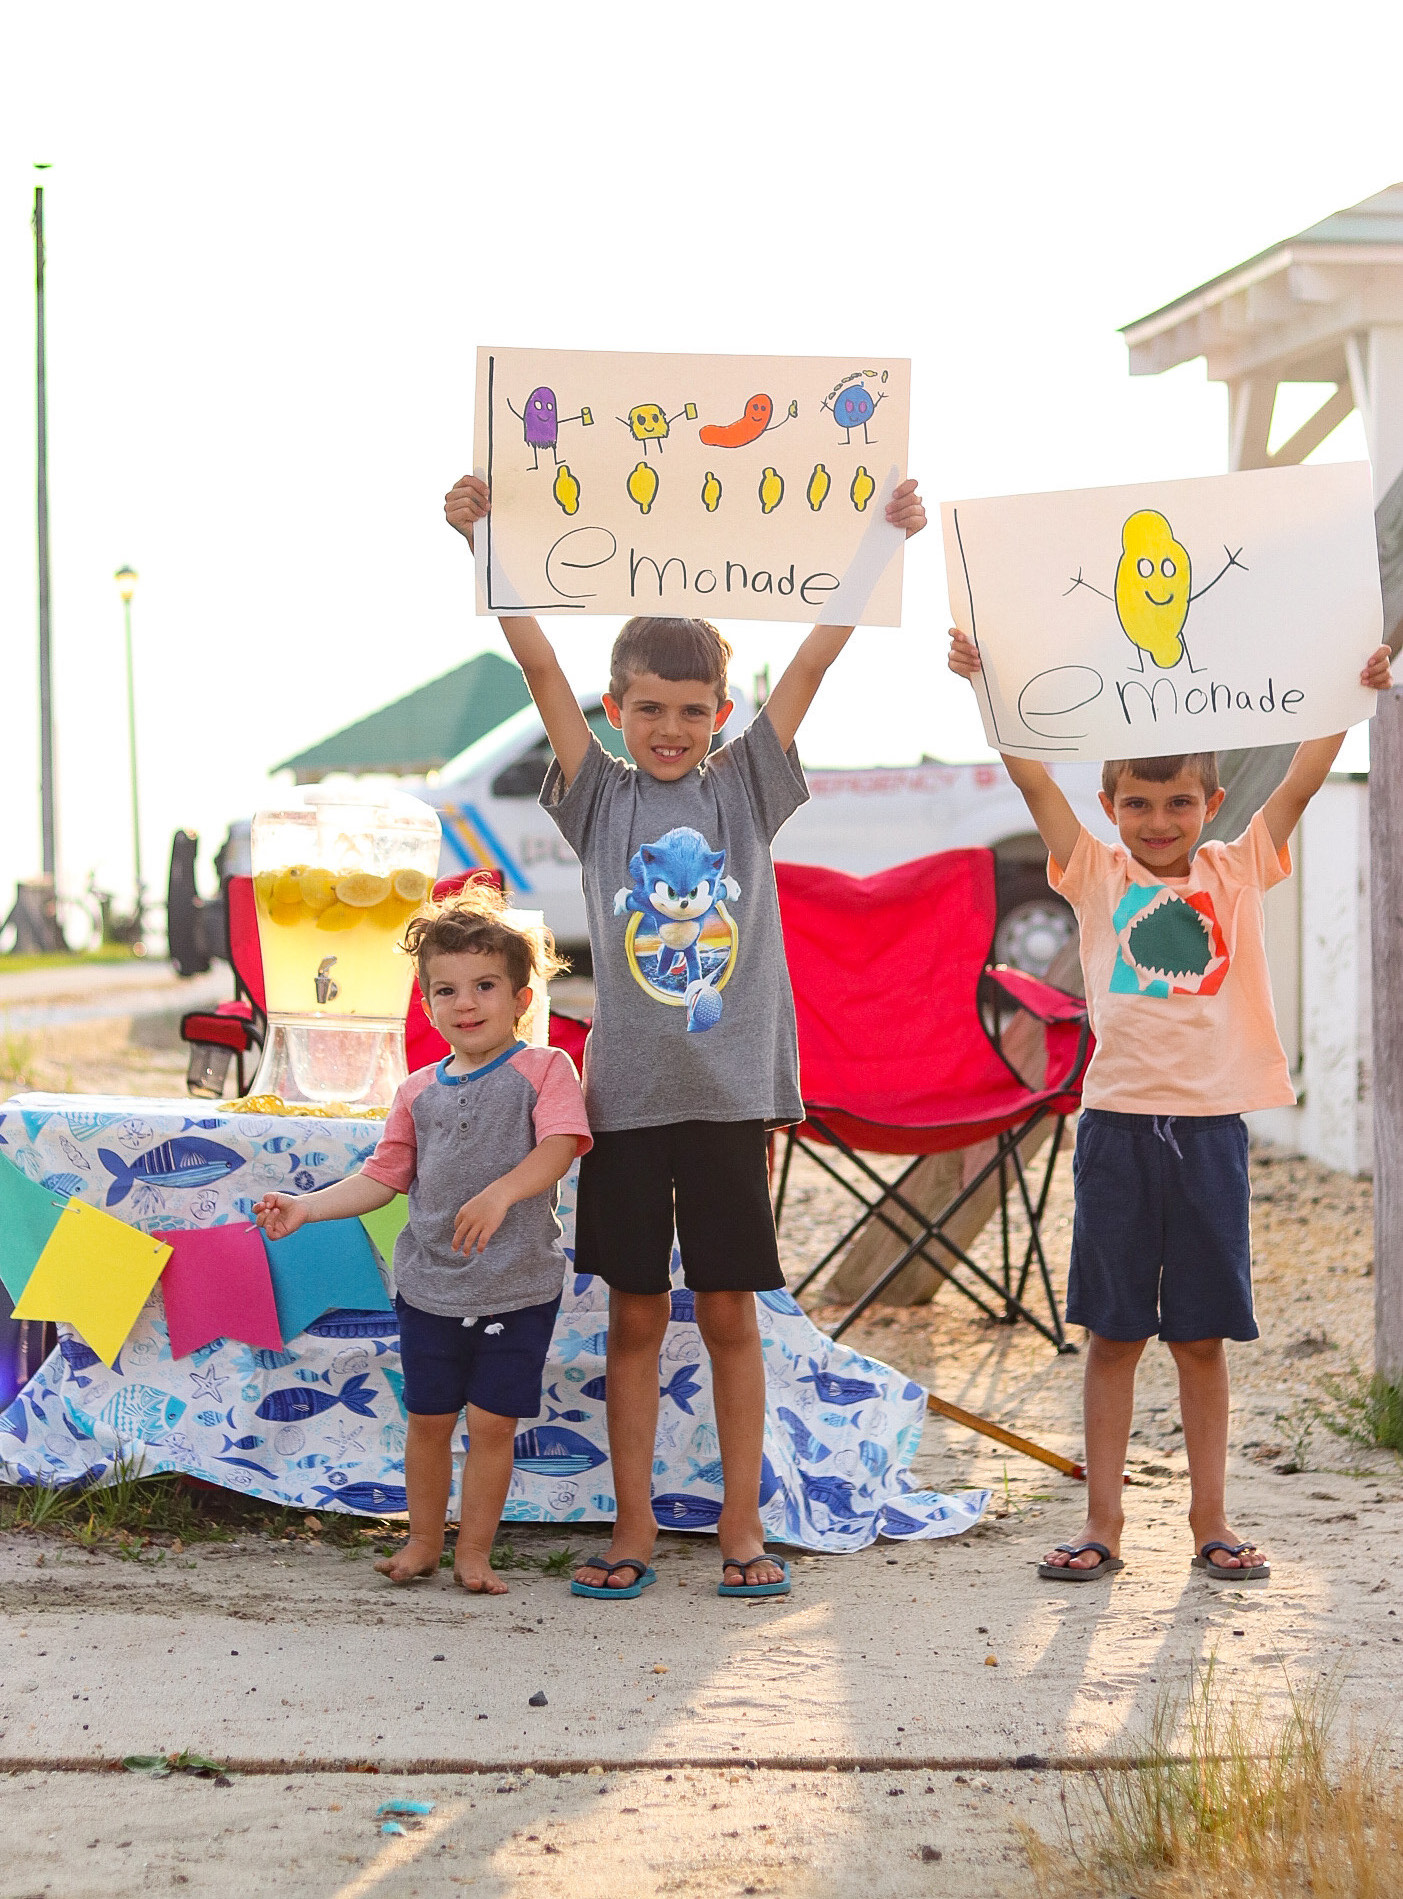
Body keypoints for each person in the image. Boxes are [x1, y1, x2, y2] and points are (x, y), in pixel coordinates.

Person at [445, 469, 927, 1598]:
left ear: (720, 709)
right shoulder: (597, 796)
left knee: (726, 1313)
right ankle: (631, 1529)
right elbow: (538, 666)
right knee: (630, 1317)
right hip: (625, 1105)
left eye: (691, 708)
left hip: (726, 1100)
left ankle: (743, 1528)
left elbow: (810, 662)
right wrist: (479, 542)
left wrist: (872, 548)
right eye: (648, 708)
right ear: (618, 711)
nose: (669, 728)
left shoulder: (746, 787)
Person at [948, 627, 1393, 1584]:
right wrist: (988, 685)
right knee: (1113, 1334)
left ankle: (1209, 1520)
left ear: (1209, 804)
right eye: (1138, 804)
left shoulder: (1234, 872)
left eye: (1178, 801)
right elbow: (1032, 784)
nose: (1158, 821)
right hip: (1114, 1128)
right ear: (1109, 807)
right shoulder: (1095, 874)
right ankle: (1102, 1522)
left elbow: (1304, 781)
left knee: (1198, 1336)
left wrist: (1350, 692)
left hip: (1209, 1135)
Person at [254, 883, 590, 1595]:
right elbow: (382, 1178)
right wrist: (306, 1208)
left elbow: (562, 1145)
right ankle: (421, 1542)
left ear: (522, 999)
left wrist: (502, 1191)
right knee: (430, 1421)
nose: (465, 1003)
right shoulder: (415, 1092)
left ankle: (474, 1551)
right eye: (446, 989)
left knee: (493, 1424)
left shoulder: (544, 1069)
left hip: (517, 1287)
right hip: (430, 1289)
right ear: (428, 1003)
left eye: (485, 985)